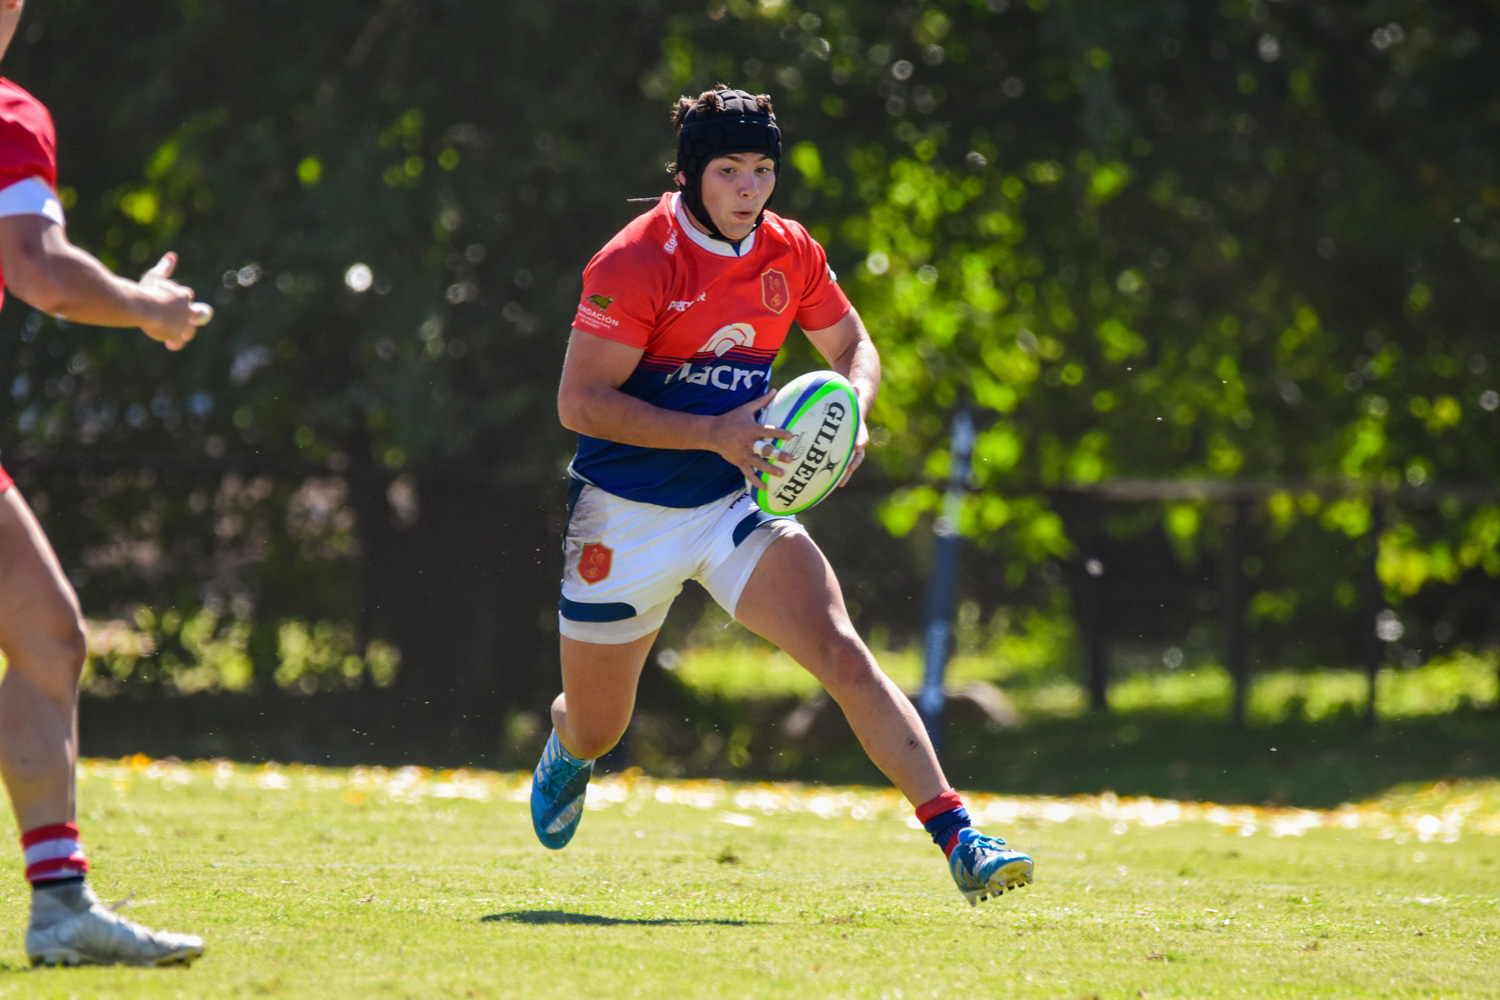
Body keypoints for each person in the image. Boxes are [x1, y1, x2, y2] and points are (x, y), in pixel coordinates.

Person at [530, 86, 1034, 905]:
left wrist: (853, 404)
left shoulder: (790, 252)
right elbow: (578, 405)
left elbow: (853, 344)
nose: (749, 189)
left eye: (762, 169)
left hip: (738, 505)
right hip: (625, 516)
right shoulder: (636, 259)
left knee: (840, 648)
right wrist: (712, 431)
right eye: (729, 170)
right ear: (692, 175)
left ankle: (960, 838)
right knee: (599, 726)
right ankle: (568, 747)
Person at [0, 0, 208, 966]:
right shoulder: (8, 115)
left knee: (47, 634)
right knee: (49, 635)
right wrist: (146, 307)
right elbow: (37, 270)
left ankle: (60, 904)